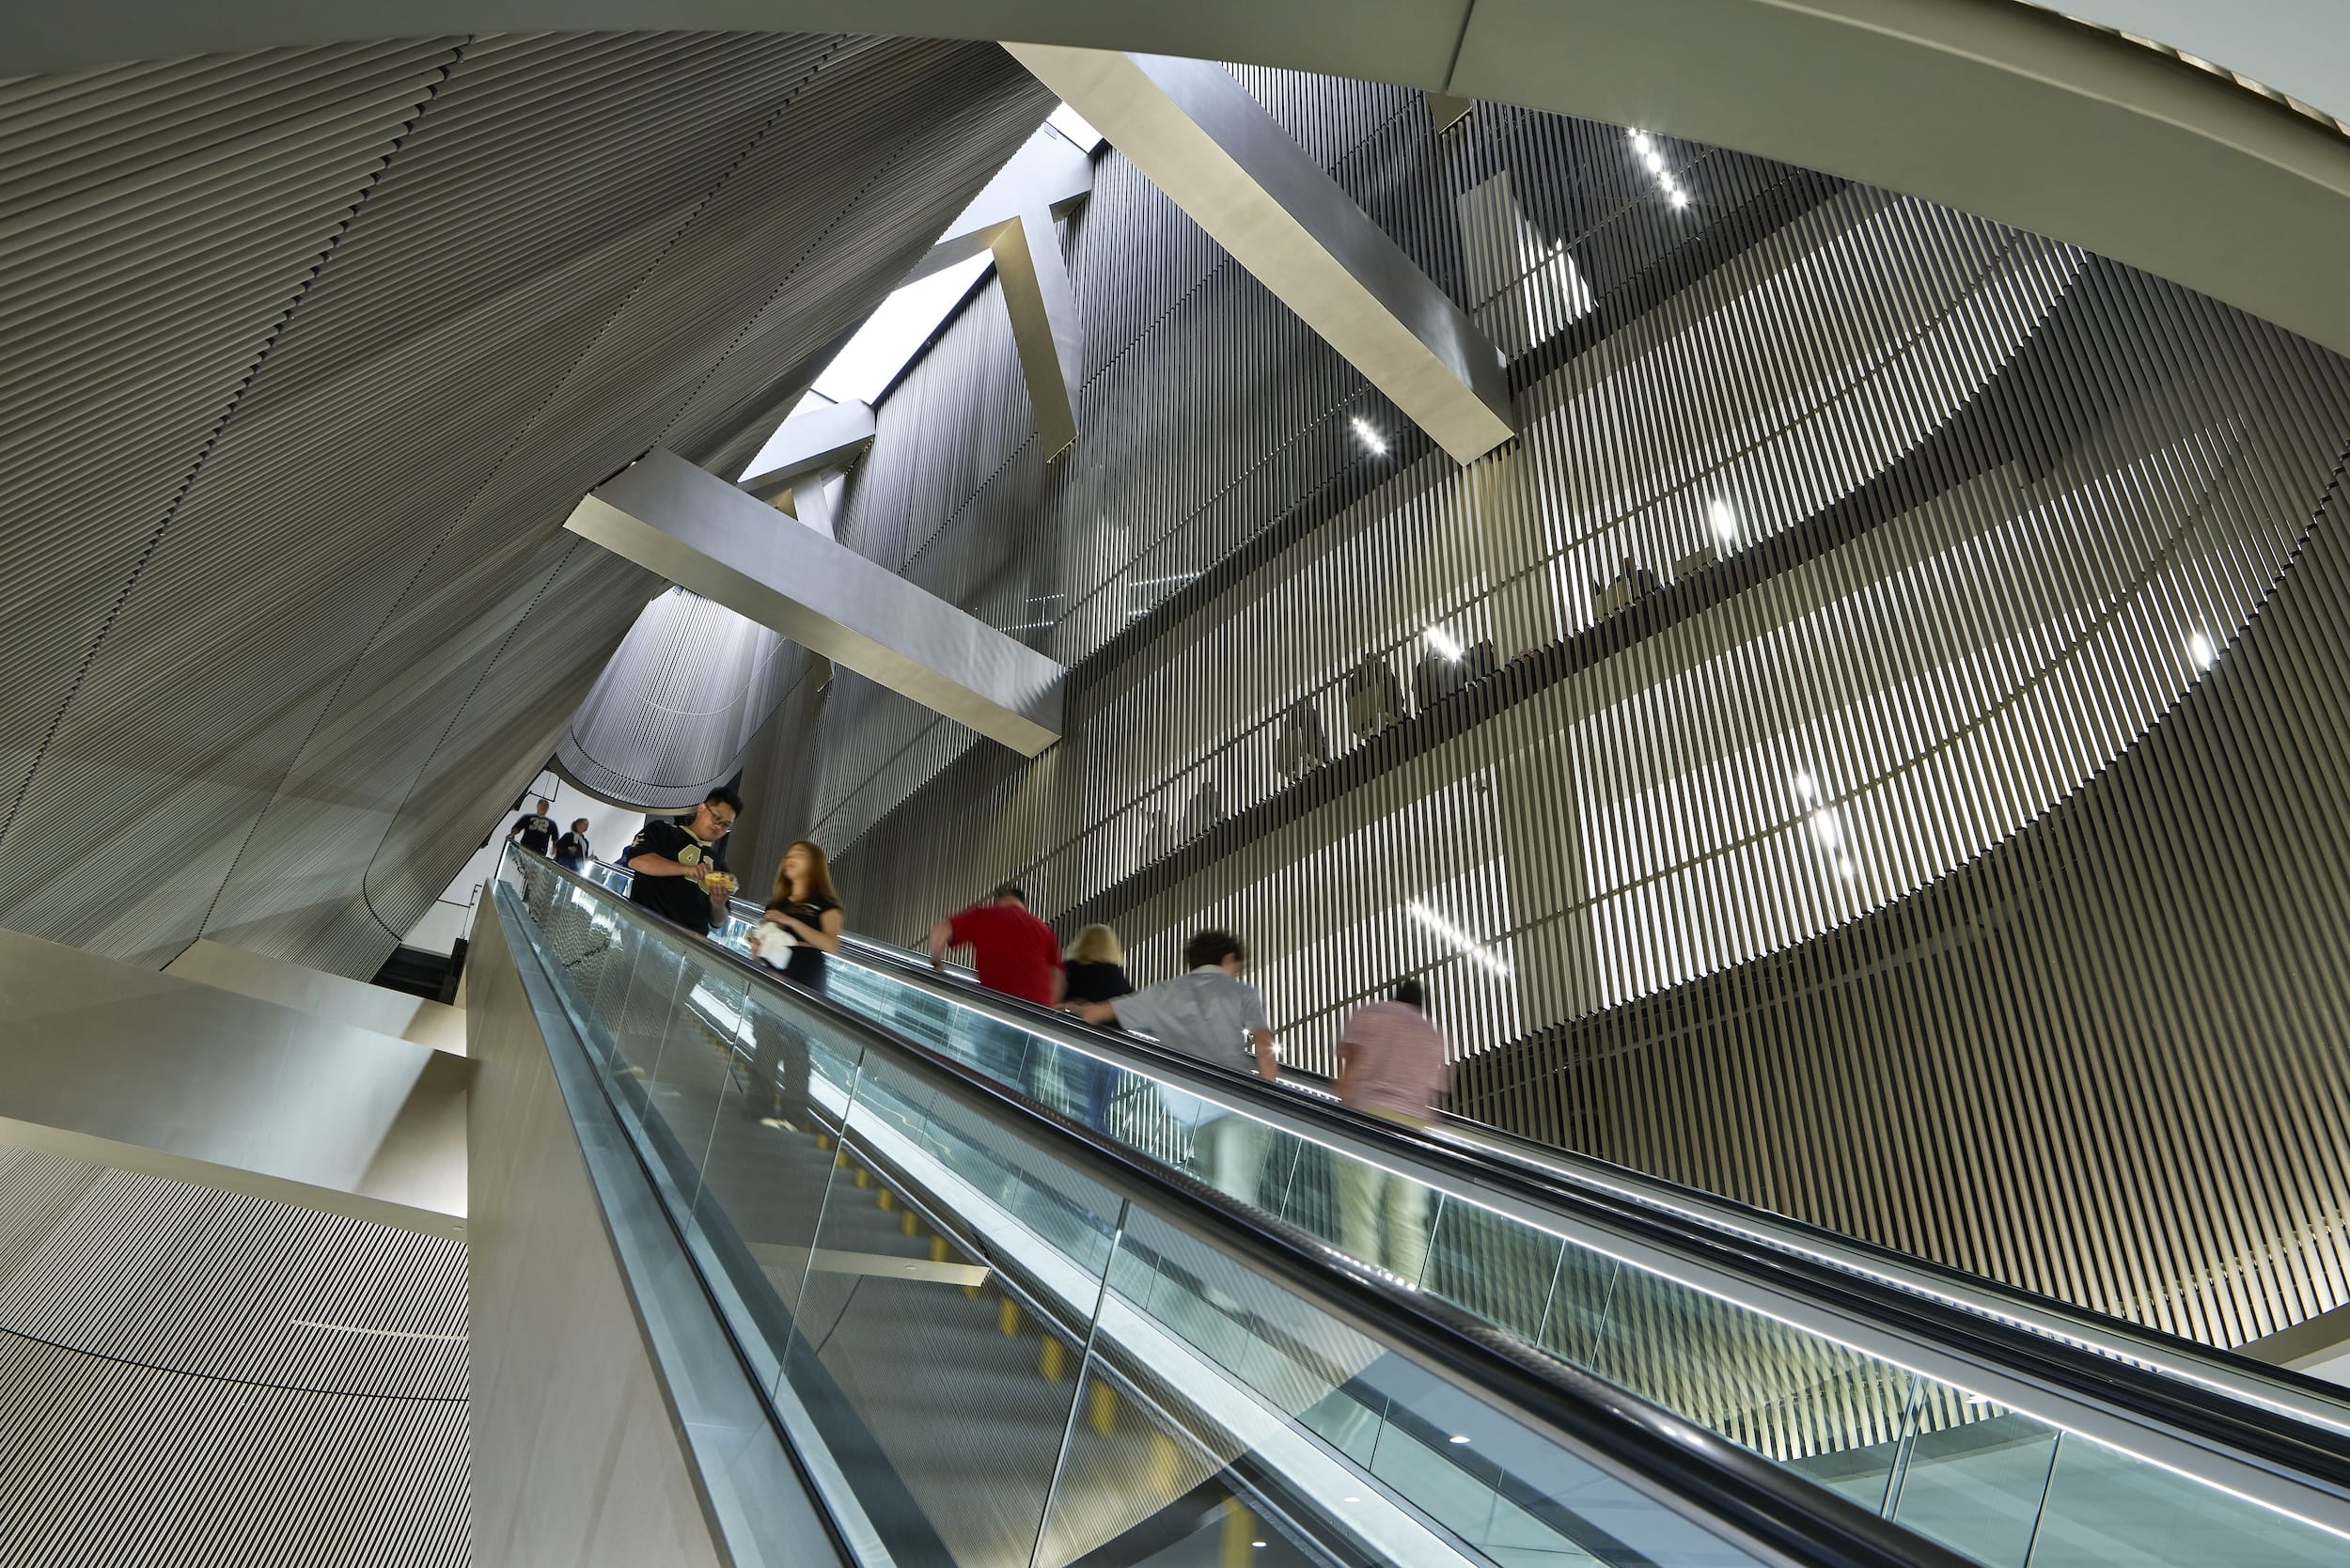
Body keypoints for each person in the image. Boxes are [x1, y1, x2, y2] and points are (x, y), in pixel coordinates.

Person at [1073, 929, 1277, 1206]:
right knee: (1237, 1196)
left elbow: (1095, 1013)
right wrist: (1272, 1098)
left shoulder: (1164, 991)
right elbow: (1264, 1045)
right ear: (1228, 958)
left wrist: (1072, 1007)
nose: (1236, 974)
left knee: (1214, 1196)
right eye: (1236, 968)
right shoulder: (1241, 991)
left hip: (1189, 1114)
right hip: (1236, 1103)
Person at [1332, 978, 1452, 1281]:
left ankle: (1362, 1282)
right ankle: (1413, 1290)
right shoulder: (1431, 1034)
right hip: (1414, 1126)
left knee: (1361, 1209)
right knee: (1407, 1215)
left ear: (1394, 997)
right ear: (1420, 1005)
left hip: (1367, 1118)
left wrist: (1339, 1112)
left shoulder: (1370, 1013)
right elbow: (1432, 1092)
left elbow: (1350, 1072)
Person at [744, 839, 844, 1128]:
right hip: (771, 978)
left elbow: (831, 944)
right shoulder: (776, 904)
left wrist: (792, 924)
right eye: (787, 855)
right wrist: (757, 946)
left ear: (814, 863)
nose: (789, 859)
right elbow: (760, 944)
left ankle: (794, 1114)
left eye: (798, 855)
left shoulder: (824, 905)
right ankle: (757, 1109)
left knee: (797, 1049)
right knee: (765, 1043)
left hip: (806, 982)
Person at [624, 786, 741, 936]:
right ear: (702, 808)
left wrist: (718, 905)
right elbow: (637, 861)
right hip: (646, 931)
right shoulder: (662, 831)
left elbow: (718, 922)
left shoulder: (719, 864)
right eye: (716, 818)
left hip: (691, 947)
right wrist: (688, 869)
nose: (718, 827)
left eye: (726, 825)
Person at [930, 884, 1064, 1007]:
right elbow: (1058, 975)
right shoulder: (1043, 929)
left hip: (996, 1005)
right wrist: (1049, 1009)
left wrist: (936, 964)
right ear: (1023, 905)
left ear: (997, 902)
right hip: (1037, 1014)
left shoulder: (983, 916)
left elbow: (940, 930)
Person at [1061, 925, 1135, 1129]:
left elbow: (1056, 1002)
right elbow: (1130, 1012)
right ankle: (1100, 1148)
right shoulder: (1114, 975)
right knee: (1097, 1109)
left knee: (1081, 1106)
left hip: (1073, 1046)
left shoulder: (1069, 969)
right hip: (1110, 1052)